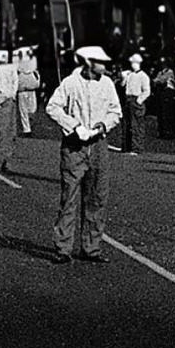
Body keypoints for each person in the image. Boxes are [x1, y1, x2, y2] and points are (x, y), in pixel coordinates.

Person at [45, 44, 123, 263]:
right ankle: (63, 248)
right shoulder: (70, 83)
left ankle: (91, 248)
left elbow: (116, 111)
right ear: (88, 62)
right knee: (69, 197)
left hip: (98, 145)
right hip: (74, 146)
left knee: (97, 197)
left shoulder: (107, 84)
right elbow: (53, 107)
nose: (105, 66)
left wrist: (102, 126)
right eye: (101, 63)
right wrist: (73, 125)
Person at [0, 49, 19, 172]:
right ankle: (7, 160)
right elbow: (15, 85)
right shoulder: (12, 68)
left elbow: (2, 89)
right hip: (12, 100)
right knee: (10, 132)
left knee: (0, 132)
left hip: (2, 102)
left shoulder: (1, 70)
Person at [121, 51, 151, 154]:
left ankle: (137, 148)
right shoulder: (129, 74)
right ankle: (127, 146)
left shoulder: (143, 76)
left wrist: (139, 100)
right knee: (127, 124)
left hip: (136, 99)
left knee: (136, 125)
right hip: (128, 99)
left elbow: (147, 91)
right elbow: (122, 85)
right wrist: (124, 77)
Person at [15, 46, 41, 136]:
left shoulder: (33, 60)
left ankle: (29, 125)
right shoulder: (19, 62)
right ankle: (26, 129)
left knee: (32, 108)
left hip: (31, 87)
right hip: (22, 88)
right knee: (23, 110)